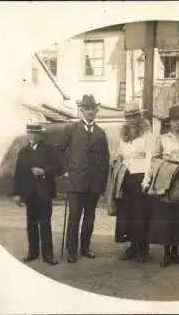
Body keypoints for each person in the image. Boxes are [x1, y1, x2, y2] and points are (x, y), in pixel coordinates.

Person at [57, 94, 110, 263]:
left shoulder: (101, 133)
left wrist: (101, 182)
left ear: (96, 111)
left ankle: (85, 247)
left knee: (89, 218)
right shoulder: (71, 129)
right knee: (74, 217)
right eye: (86, 109)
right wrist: (66, 170)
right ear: (81, 110)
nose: (90, 112)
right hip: (75, 181)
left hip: (93, 184)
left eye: (92, 109)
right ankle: (71, 250)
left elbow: (105, 159)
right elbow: (59, 151)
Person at [147, 105, 179, 268]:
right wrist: (158, 175)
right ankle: (166, 253)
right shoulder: (162, 138)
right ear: (170, 122)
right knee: (166, 214)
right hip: (166, 177)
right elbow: (154, 159)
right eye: (175, 120)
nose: (178, 124)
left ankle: (176, 252)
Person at [12, 123, 61, 266]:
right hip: (29, 194)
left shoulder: (49, 151)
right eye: (31, 132)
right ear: (28, 134)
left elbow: (58, 168)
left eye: (36, 133)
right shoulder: (23, 152)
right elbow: (18, 174)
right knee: (31, 224)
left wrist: (44, 171)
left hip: (44, 192)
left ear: (41, 135)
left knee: (45, 224)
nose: (33, 135)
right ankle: (33, 252)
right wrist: (17, 194)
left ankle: (48, 255)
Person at [113, 101, 154, 263]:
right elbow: (121, 154)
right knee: (128, 214)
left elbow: (150, 158)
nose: (131, 119)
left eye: (134, 116)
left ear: (139, 117)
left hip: (141, 175)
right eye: (128, 117)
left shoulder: (147, 134)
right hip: (126, 176)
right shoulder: (122, 134)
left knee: (141, 214)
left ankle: (143, 249)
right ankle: (132, 247)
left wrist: (146, 180)